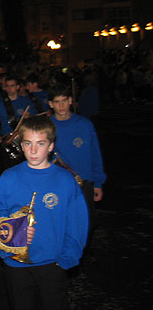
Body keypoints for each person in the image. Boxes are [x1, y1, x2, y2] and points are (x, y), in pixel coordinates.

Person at [0, 115, 88, 310]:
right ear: (21, 145)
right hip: (16, 263)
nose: (33, 150)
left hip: (52, 262)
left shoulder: (65, 180)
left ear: (50, 146)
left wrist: (67, 257)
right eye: (28, 143)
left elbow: (77, 222)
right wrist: (13, 234)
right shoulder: (9, 177)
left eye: (40, 143)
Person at [49, 84, 106, 227]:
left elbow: (95, 153)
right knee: (61, 224)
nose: (61, 105)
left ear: (70, 101)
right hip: (58, 184)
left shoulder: (84, 124)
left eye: (64, 100)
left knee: (86, 224)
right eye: (57, 102)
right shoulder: (47, 127)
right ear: (51, 104)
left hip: (83, 182)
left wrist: (98, 183)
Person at [0, 76, 37, 146]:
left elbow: (36, 118)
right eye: (7, 86)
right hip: (7, 138)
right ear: (4, 88)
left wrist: (29, 118)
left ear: (17, 87)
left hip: (24, 137)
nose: (9, 88)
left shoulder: (26, 102)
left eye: (12, 86)